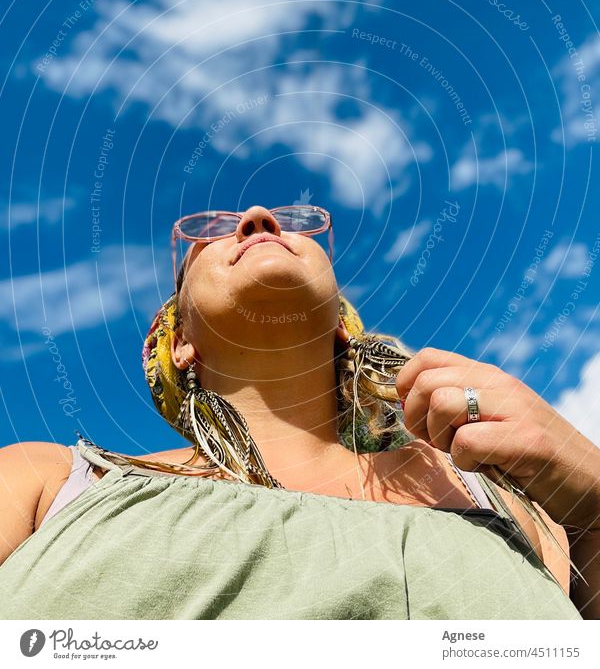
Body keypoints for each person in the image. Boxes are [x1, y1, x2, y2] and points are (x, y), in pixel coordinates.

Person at [0, 204, 598, 620]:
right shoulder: (49, 485)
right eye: (210, 235)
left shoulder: (495, 492)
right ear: (180, 342)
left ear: (341, 326)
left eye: (292, 223)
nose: (258, 219)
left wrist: (591, 491)